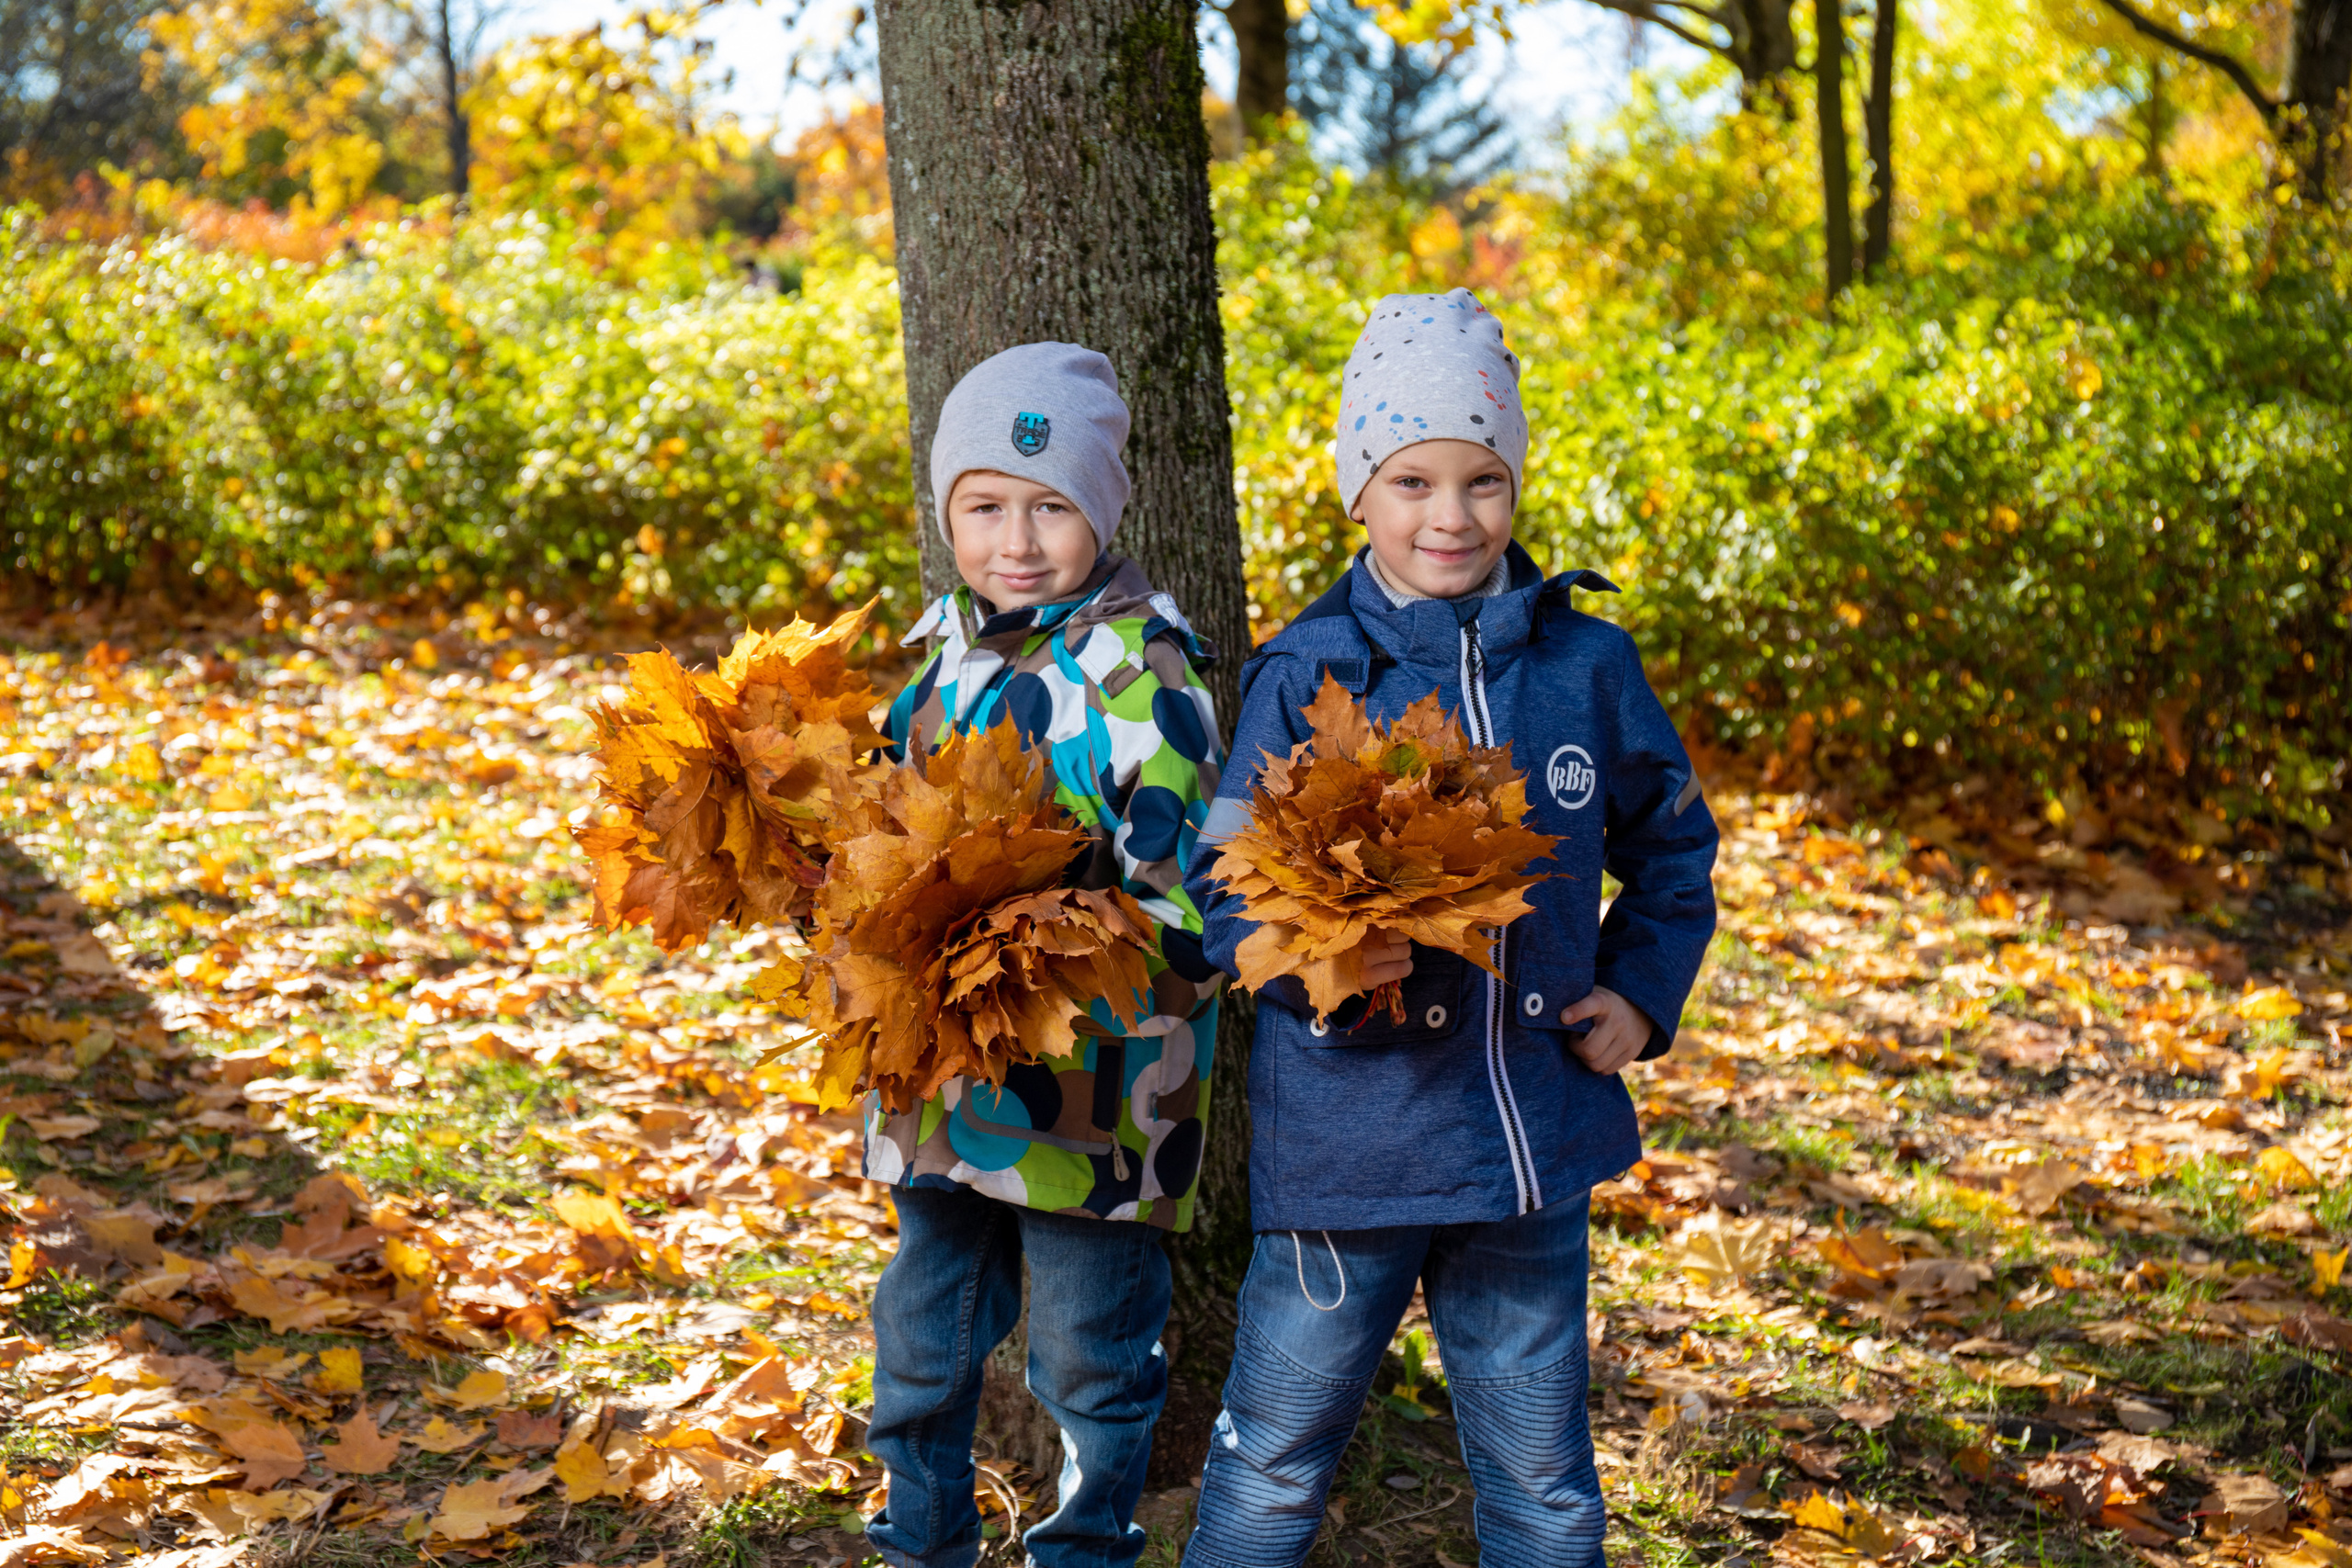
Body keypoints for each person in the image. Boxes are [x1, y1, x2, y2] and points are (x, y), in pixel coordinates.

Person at [1178, 288, 1719, 1568]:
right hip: (1347, 1155)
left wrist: (1641, 996)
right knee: (1269, 1465)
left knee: (1542, 1482)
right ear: (1358, 491)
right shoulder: (1303, 676)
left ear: (1516, 487)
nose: (1450, 516)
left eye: (1483, 480)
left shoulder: (1589, 670)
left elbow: (1672, 847)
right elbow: (1220, 897)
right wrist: (1316, 960)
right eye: (1412, 479)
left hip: (1529, 1147)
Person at [861, 342, 1226, 1568]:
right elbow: (884, 840)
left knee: (1088, 1352)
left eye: (1051, 504)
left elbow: (1189, 906)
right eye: (985, 507)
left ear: (1101, 512)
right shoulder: (939, 665)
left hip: (1094, 1095)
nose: (1017, 539)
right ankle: (920, 1537)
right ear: (949, 515)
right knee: (923, 1327)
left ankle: (1085, 1548)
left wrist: (1058, 932)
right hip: (945, 1081)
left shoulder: (1142, 673)